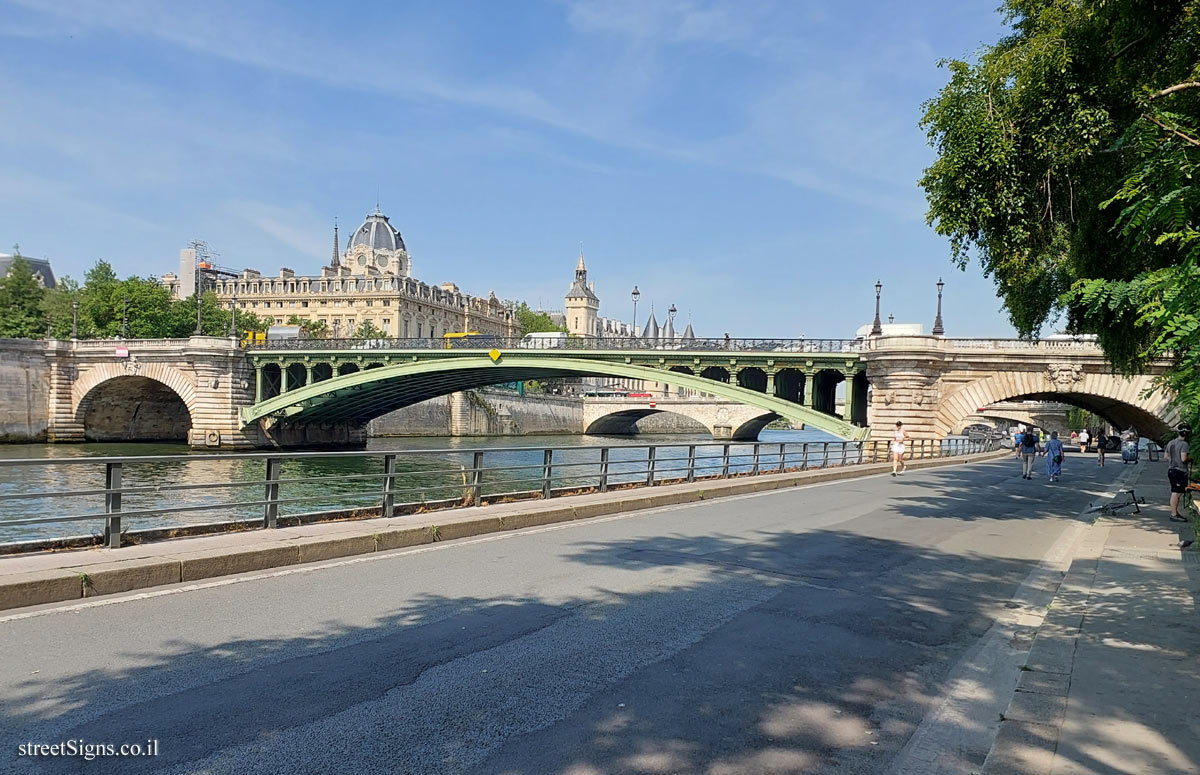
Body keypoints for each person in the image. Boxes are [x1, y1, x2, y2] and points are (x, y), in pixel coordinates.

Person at [1166, 424, 1191, 523]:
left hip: (1171, 470)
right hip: (1180, 471)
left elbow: (1166, 456)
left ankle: (1175, 512)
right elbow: (1184, 458)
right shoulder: (1184, 444)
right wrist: (1190, 459)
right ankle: (1174, 514)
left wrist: (1173, 460)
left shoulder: (1171, 443)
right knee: (1176, 493)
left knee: (1177, 492)